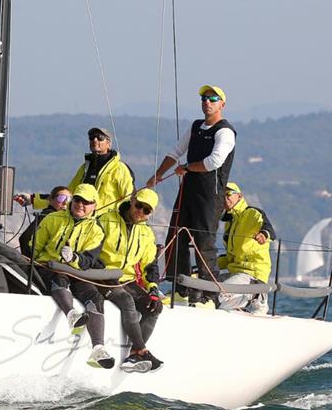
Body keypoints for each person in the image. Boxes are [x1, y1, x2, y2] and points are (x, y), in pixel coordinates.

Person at [147, 85, 236, 309]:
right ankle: (180, 291)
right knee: (175, 238)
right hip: (187, 192)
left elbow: (214, 161)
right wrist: (157, 175)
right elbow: (175, 152)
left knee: (203, 243)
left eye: (213, 99)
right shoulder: (196, 127)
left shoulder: (225, 132)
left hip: (209, 196)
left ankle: (209, 296)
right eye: (204, 98)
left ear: (221, 104)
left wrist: (186, 167)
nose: (207, 102)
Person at [75, 188, 164, 373]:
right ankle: (142, 350)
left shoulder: (147, 234)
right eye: (139, 205)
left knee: (155, 307)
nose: (140, 211)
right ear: (132, 201)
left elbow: (150, 265)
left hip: (126, 280)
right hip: (102, 276)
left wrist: (153, 289)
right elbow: (91, 250)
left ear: (151, 213)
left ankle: (133, 356)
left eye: (146, 210)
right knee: (126, 300)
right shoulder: (106, 220)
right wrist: (99, 271)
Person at [31, 184, 113, 369]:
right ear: (72, 200)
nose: (80, 204)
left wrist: (74, 257)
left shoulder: (97, 229)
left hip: (77, 271)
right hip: (50, 266)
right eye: (77, 199)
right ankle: (71, 314)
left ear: (94, 205)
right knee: (59, 277)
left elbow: (89, 260)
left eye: (86, 202)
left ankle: (98, 348)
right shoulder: (53, 219)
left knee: (95, 297)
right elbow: (35, 247)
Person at [15, 127, 134, 216]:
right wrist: (32, 199)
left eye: (100, 137)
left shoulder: (120, 169)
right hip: (81, 221)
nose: (95, 140)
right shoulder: (85, 168)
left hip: (105, 225)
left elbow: (129, 198)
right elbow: (67, 195)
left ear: (109, 143)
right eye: (91, 137)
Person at [216, 182, 275, 314]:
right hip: (235, 272)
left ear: (240, 196)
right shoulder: (229, 223)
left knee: (218, 296)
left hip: (252, 274)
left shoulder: (252, 213)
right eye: (222, 195)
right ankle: (239, 307)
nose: (225, 198)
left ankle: (257, 297)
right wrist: (208, 265)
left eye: (229, 194)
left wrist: (264, 235)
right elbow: (230, 257)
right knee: (205, 291)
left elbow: (268, 229)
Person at [18, 185, 71, 257]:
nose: (65, 202)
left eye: (69, 199)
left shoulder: (67, 219)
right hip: (43, 264)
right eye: (61, 198)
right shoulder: (47, 216)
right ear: (51, 200)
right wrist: (32, 261)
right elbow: (25, 238)